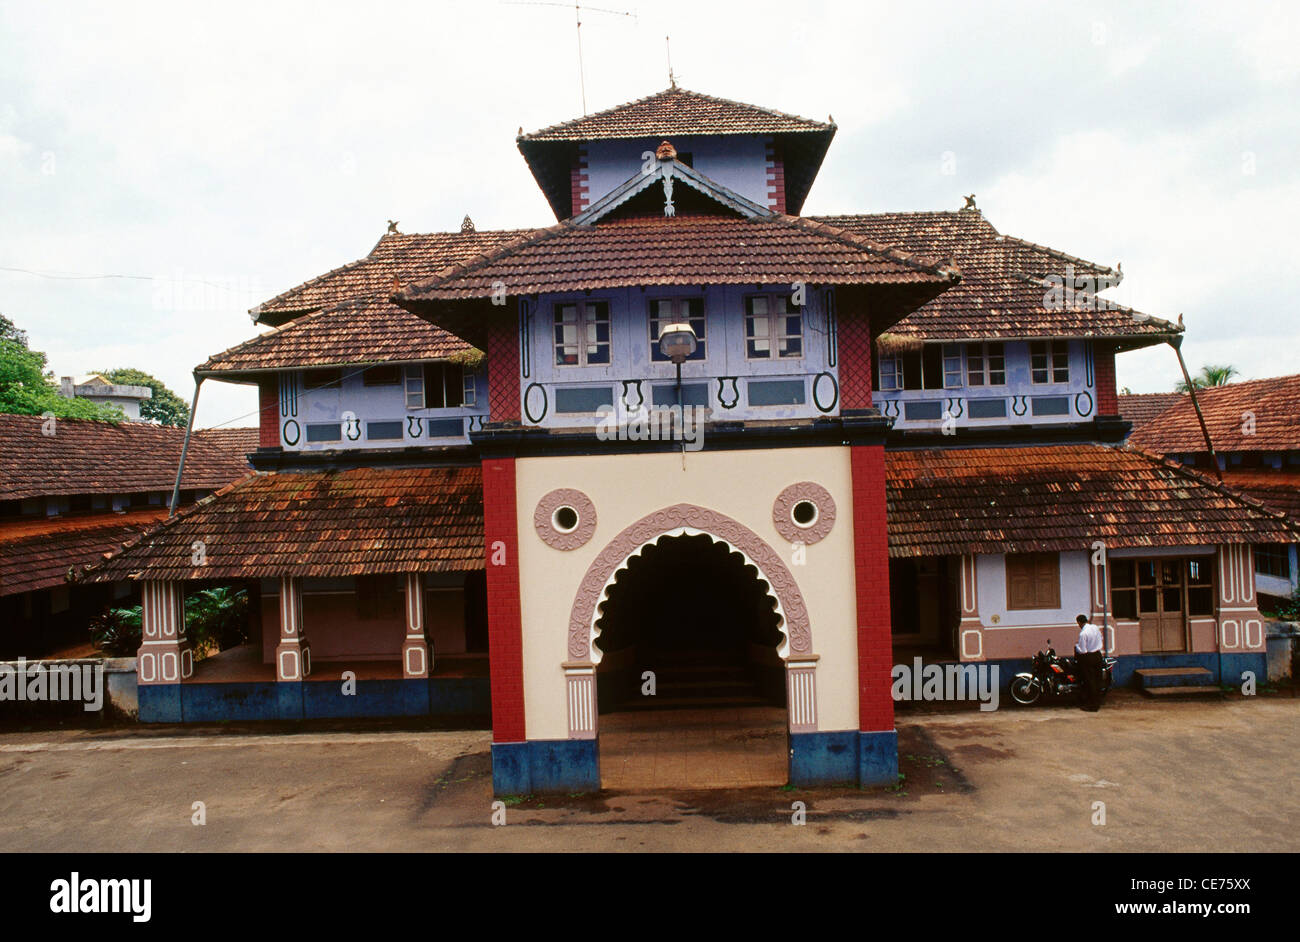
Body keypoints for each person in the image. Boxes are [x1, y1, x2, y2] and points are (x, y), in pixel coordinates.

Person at [1074, 614, 1104, 711]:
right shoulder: (1095, 627)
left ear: (1079, 622)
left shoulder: (1083, 634)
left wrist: (1076, 647)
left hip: (1089, 658)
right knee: (1097, 680)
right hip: (1098, 655)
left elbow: (1083, 650)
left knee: (1090, 681)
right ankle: (1097, 702)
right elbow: (1101, 638)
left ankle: (1093, 706)